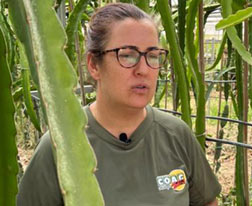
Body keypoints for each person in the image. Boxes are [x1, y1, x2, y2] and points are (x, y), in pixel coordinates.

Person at [17, 3, 221, 206]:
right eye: (127, 55)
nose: (143, 69)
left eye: (152, 56)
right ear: (94, 65)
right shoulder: (59, 146)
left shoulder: (176, 134)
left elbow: (207, 202)